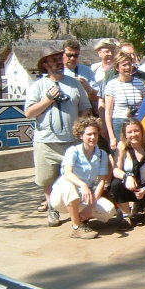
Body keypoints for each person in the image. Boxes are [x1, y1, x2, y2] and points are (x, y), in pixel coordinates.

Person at [25, 48, 91, 225]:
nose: (58, 62)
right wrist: (47, 100)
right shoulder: (37, 86)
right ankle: (52, 209)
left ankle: (76, 211)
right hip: (46, 141)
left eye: (59, 59)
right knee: (48, 178)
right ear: (45, 64)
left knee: (75, 175)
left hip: (72, 141)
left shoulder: (74, 84)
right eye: (53, 60)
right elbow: (29, 113)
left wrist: (82, 130)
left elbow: (84, 108)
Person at [49, 117, 116, 239]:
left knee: (109, 211)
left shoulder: (102, 154)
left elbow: (101, 182)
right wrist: (83, 185)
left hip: (83, 197)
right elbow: (67, 173)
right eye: (89, 134)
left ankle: (81, 218)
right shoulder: (73, 151)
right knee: (69, 184)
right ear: (81, 136)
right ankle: (76, 227)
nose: (93, 137)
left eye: (95, 134)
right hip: (62, 197)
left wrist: (89, 208)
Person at [109, 119, 145, 230]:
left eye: (136, 131)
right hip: (129, 186)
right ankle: (126, 215)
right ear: (125, 134)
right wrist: (127, 176)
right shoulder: (122, 148)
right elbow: (116, 170)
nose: (133, 134)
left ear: (141, 131)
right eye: (129, 132)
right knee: (116, 184)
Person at [104, 51, 145, 150]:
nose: (128, 67)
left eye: (129, 64)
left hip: (137, 122)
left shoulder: (140, 83)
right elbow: (108, 112)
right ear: (117, 67)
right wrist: (111, 136)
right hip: (119, 122)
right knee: (121, 152)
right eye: (124, 65)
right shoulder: (111, 85)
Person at [62, 39, 98, 105]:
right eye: (69, 55)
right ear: (62, 54)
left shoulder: (86, 71)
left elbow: (96, 98)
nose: (72, 58)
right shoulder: (56, 72)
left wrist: (87, 88)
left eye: (75, 55)